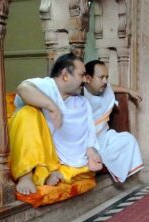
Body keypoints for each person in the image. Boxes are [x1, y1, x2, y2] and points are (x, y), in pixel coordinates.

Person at [9, 53, 103, 195]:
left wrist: (91, 153)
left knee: (85, 169)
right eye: (81, 75)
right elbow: (23, 88)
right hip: (32, 150)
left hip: (55, 159)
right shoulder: (46, 86)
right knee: (28, 113)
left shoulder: (82, 103)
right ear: (65, 75)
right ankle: (25, 175)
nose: (85, 80)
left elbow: (89, 133)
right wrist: (51, 105)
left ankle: (49, 172)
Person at [83, 60, 144, 183]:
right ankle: (95, 158)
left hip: (103, 137)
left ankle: (100, 159)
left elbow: (111, 87)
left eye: (107, 77)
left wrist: (129, 90)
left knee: (128, 139)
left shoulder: (105, 89)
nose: (105, 81)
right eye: (101, 77)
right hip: (86, 141)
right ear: (88, 78)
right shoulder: (79, 93)